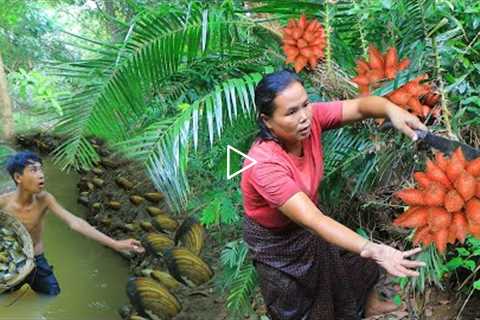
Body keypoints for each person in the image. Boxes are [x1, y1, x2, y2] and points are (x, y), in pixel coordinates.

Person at [240, 70, 427, 320]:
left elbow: (361, 107)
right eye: (291, 112)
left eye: (305, 105)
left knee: (354, 266)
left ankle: (371, 306)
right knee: (292, 305)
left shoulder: (311, 120)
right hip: (276, 243)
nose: (304, 116)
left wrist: (391, 110)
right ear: (267, 120)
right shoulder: (263, 165)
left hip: (307, 225)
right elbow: (314, 220)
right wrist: (374, 249)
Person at [0, 151, 144, 296]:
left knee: (52, 295)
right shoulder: (3, 202)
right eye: (33, 170)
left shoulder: (45, 199)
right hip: (8, 261)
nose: (41, 174)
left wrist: (115, 243)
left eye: (41, 169)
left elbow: (75, 222)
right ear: (18, 177)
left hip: (36, 260)